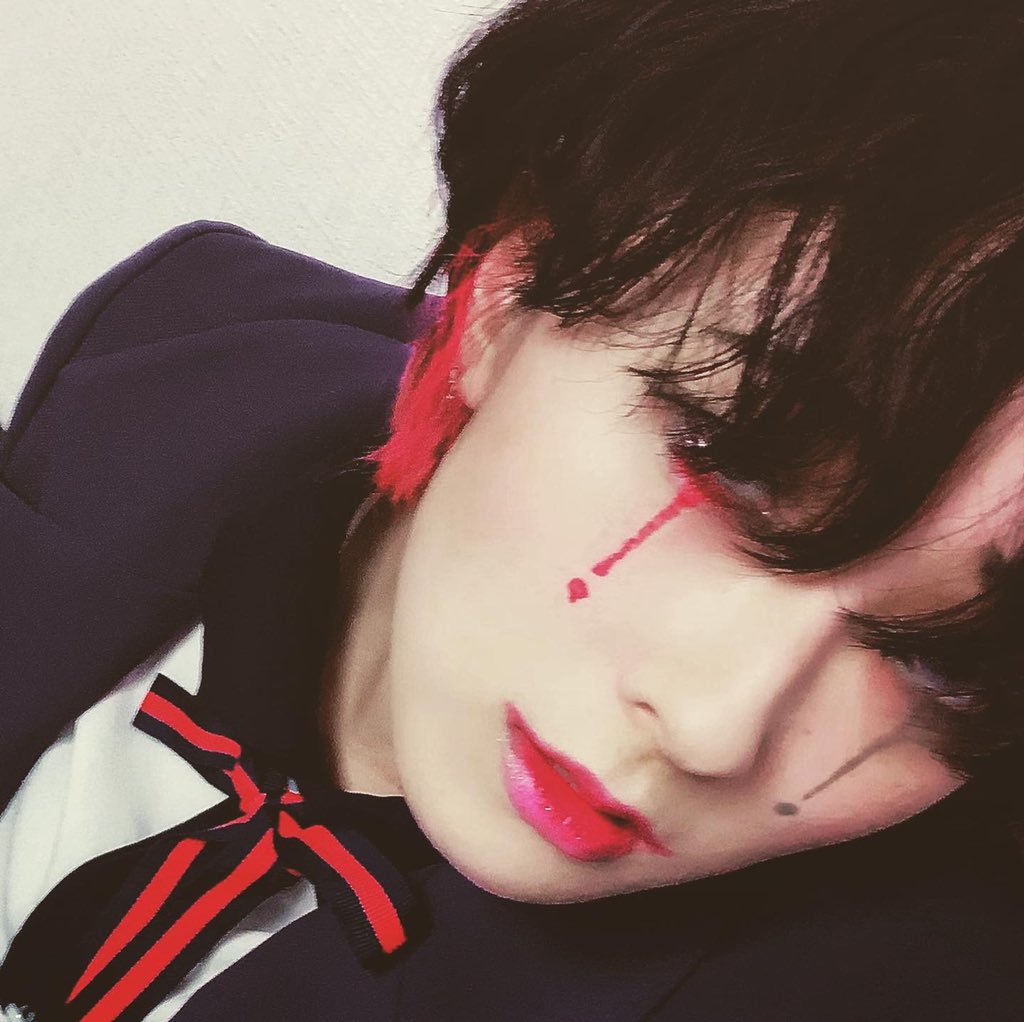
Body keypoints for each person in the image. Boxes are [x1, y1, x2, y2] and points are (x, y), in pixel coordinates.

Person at [1, 0, 1023, 1018]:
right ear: (507, 285)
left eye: (954, 663)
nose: (711, 729)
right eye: (736, 463)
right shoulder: (182, 352)